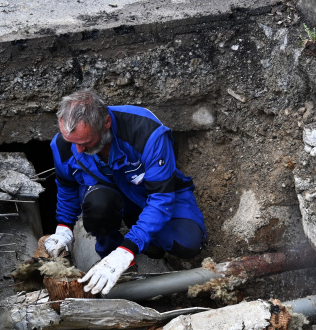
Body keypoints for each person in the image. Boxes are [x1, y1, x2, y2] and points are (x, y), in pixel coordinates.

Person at [43, 89, 206, 295]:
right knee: (99, 204)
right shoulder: (64, 145)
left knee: (188, 243)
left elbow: (161, 198)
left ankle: (141, 239)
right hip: (108, 195)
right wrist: (64, 226)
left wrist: (128, 248)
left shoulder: (146, 133)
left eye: (85, 143)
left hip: (151, 194)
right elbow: (67, 187)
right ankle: (112, 256)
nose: (78, 150)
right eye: (73, 142)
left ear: (106, 123)